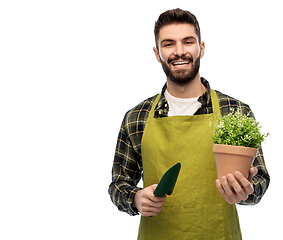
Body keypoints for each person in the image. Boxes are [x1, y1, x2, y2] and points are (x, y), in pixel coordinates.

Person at [108, 8, 270, 239]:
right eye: (168, 44)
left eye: (188, 41)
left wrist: (247, 191)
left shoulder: (235, 112)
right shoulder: (137, 117)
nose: (179, 51)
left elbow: (261, 179)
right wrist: (135, 198)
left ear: (201, 48)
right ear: (157, 53)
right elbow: (118, 184)